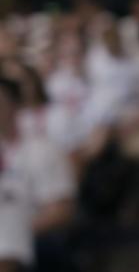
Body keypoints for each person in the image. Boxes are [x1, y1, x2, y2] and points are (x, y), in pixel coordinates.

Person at [0, 78, 76, 270]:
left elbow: (61, 211)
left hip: (37, 241)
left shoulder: (43, 150)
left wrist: (16, 232)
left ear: (15, 104)